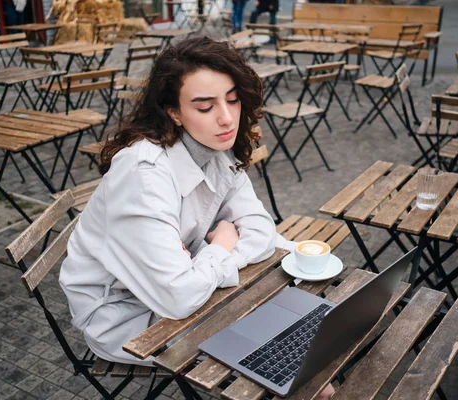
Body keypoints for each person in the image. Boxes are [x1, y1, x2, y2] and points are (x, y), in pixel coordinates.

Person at [59, 36, 334, 400]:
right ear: (173, 112)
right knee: (296, 358)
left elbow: (262, 231)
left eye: (232, 99)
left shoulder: (215, 148)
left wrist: (212, 260)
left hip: (189, 294)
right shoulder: (142, 175)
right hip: (127, 319)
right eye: (205, 106)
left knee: (308, 338)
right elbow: (179, 297)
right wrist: (220, 245)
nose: (226, 117)